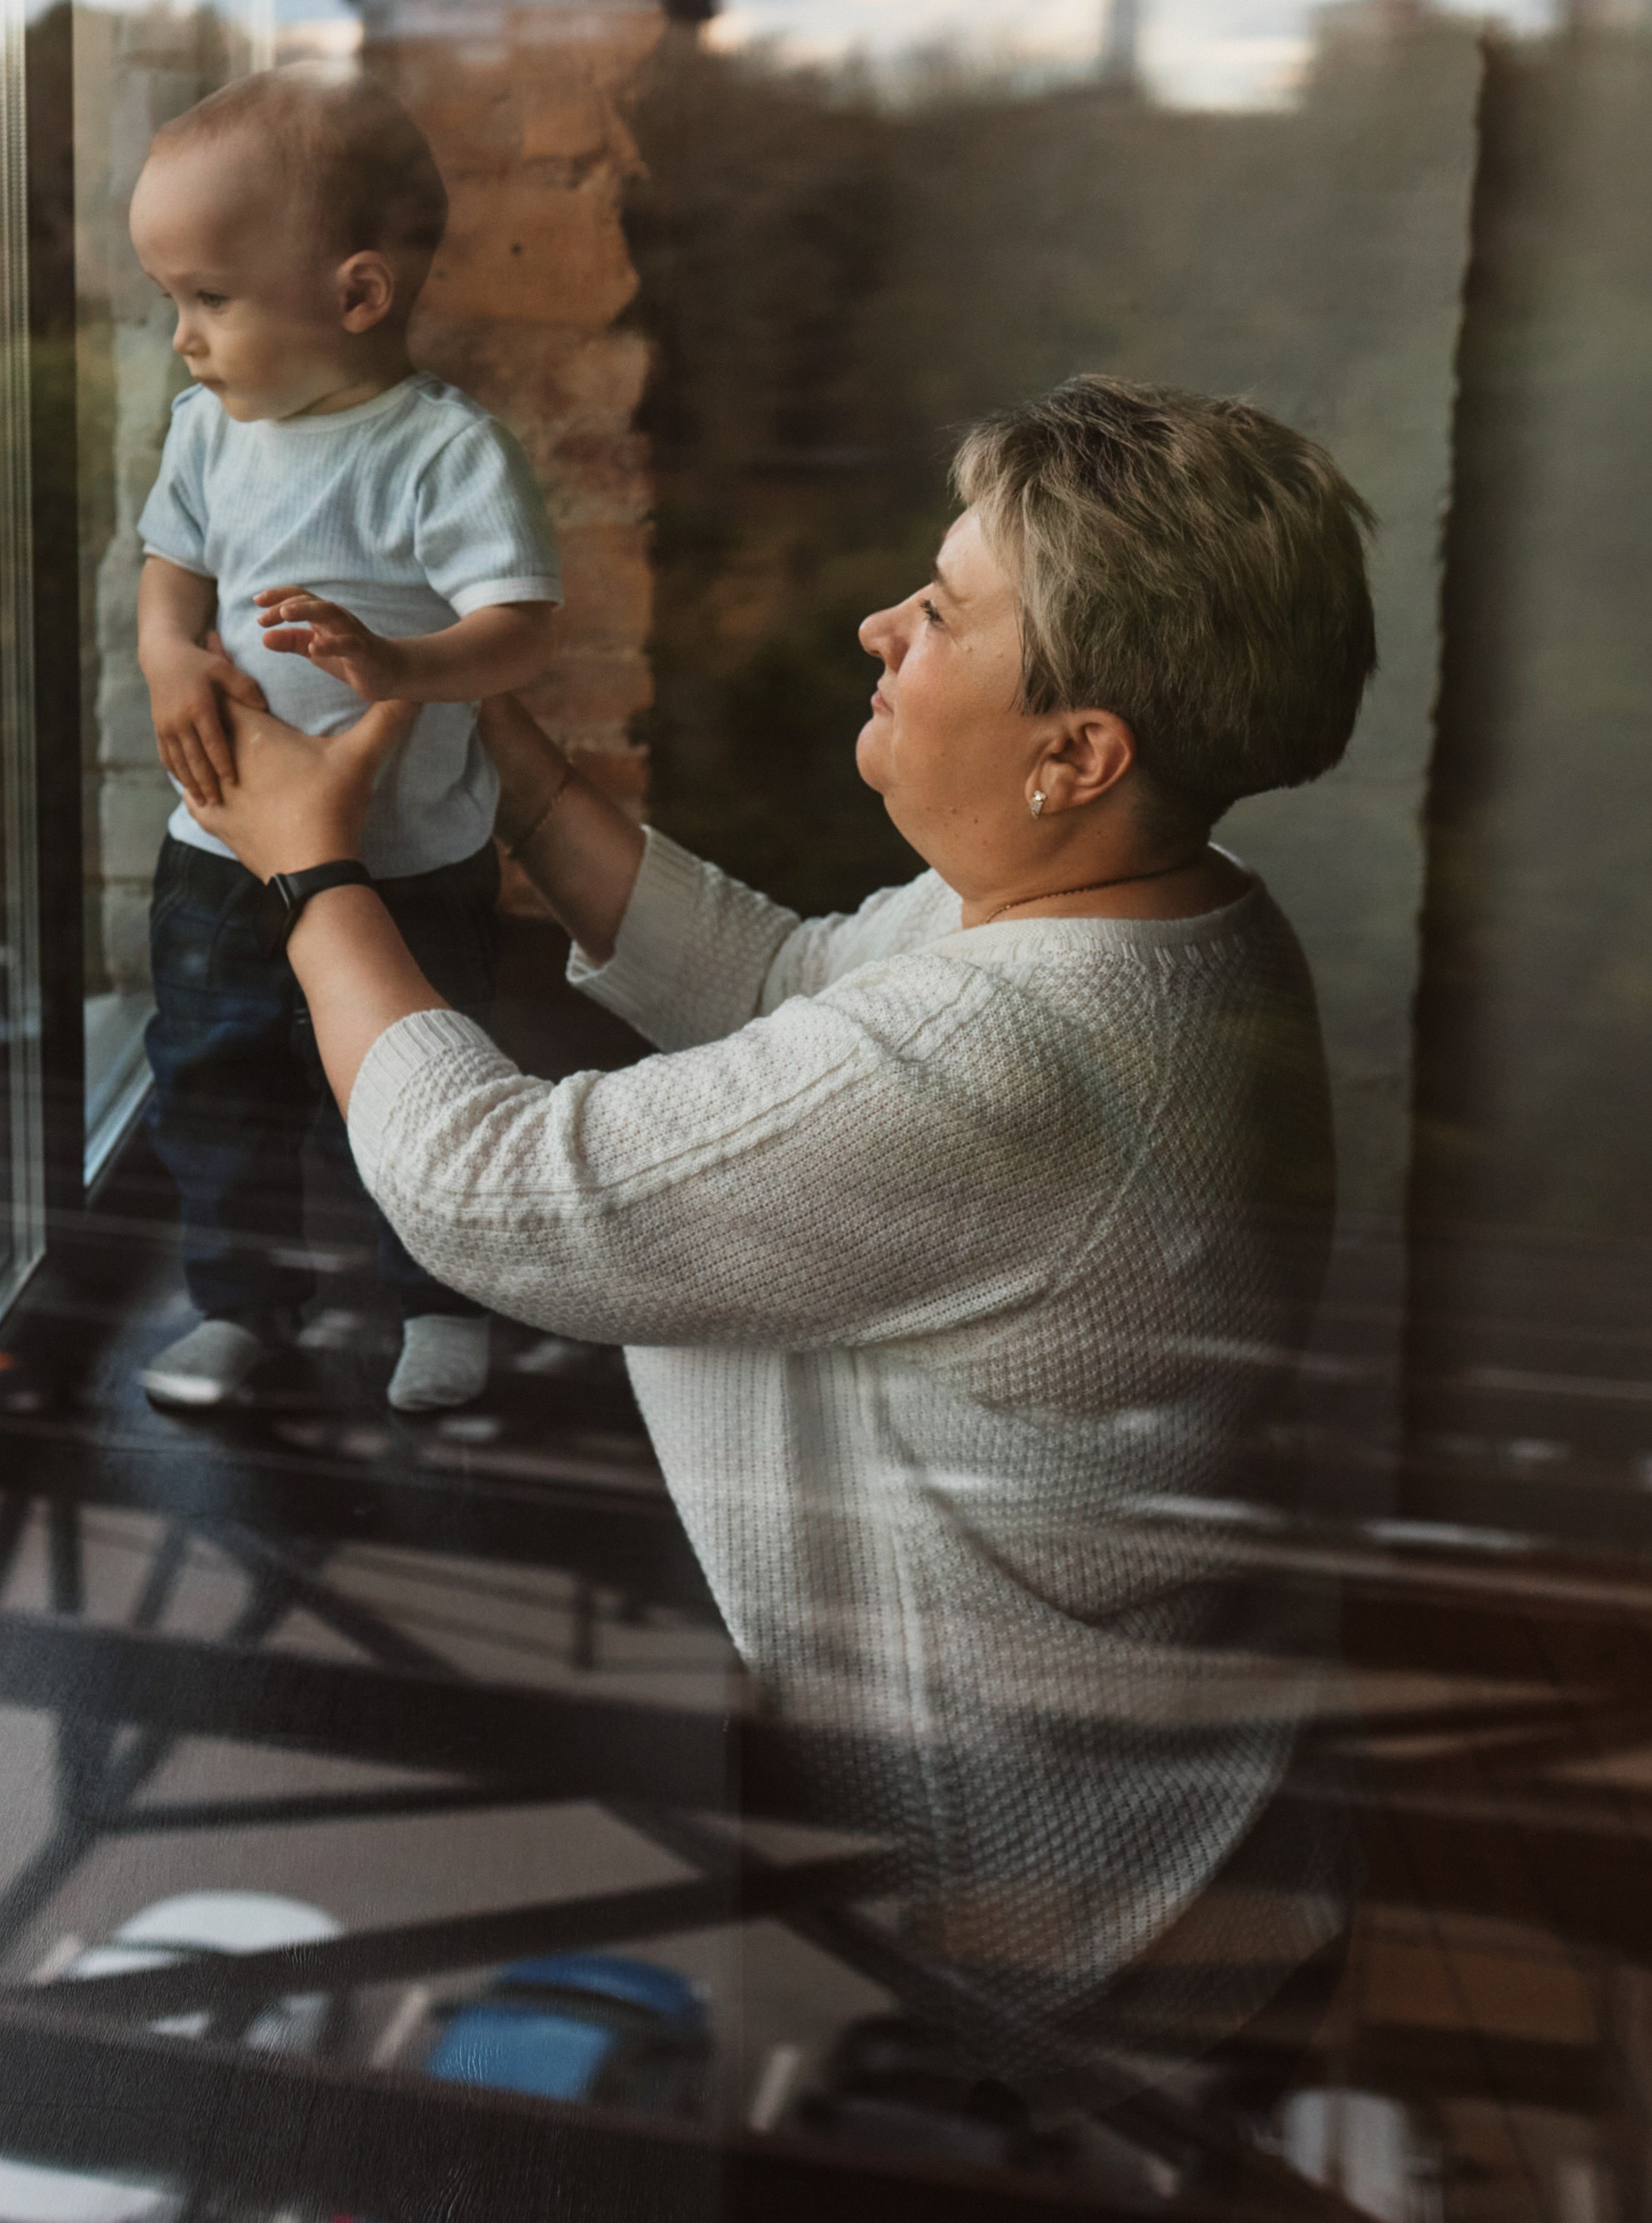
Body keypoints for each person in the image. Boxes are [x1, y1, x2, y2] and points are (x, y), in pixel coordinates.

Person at [191, 373, 1373, 2115]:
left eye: (945, 611)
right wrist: (503, 758)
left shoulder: (1017, 1052)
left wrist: (310, 870)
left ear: (1080, 753)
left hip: (1082, 1928)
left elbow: (488, 1186)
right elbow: (773, 980)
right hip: (1204, 1815)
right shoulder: (1163, 916)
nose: (879, 623)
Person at [130, 68, 562, 1416]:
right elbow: (168, 566)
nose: (183, 339)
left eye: (210, 298)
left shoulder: (443, 456)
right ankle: (242, 1308)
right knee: (216, 1086)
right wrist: (165, 654)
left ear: (358, 295)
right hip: (218, 848)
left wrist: (402, 665)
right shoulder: (209, 431)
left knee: (418, 1088)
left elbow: (520, 632)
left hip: (409, 859)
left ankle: (438, 1301)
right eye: (171, 304)